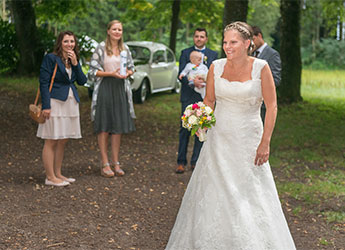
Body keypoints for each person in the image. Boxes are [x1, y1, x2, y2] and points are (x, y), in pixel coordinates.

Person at [166, 22, 296, 249]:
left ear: (247, 43)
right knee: (215, 192)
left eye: (233, 42)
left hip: (249, 140)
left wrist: (265, 142)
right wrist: (200, 121)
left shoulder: (261, 67)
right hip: (219, 140)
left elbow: (272, 106)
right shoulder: (215, 66)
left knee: (249, 194)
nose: (227, 46)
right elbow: (209, 101)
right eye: (225, 42)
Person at [37, 31, 87, 187]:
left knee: (62, 140)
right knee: (51, 139)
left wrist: (76, 64)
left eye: (72, 41)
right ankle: (50, 177)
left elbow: (82, 81)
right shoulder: (51, 58)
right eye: (66, 41)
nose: (69, 44)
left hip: (70, 102)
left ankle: (58, 173)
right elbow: (43, 83)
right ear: (60, 43)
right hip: (55, 102)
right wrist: (46, 106)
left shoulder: (73, 60)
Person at [88, 20, 135, 178]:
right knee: (104, 126)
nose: (117, 32)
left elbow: (132, 68)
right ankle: (105, 163)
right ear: (108, 31)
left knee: (117, 127)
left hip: (120, 89)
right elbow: (92, 72)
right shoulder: (101, 48)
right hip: (105, 89)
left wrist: (126, 73)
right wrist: (111, 73)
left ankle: (116, 162)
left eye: (120, 30)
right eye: (114, 29)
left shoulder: (125, 48)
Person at [176, 28, 218, 174]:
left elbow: (215, 74)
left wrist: (205, 82)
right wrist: (193, 82)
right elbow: (180, 73)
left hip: (205, 96)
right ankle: (181, 161)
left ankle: (196, 161)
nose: (199, 39)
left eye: (202, 37)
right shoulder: (185, 53)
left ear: (206, 39)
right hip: (188, 96)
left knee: (202, 127)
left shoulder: (213, 55)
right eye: (196, 36)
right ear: (193, 38)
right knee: (184, 128)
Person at [252, 25, 281, 122]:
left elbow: (276, 79)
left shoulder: (273, 54)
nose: (251, 44)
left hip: (263, 104)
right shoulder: (250, 54)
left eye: (253, 39)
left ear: (259, 36)